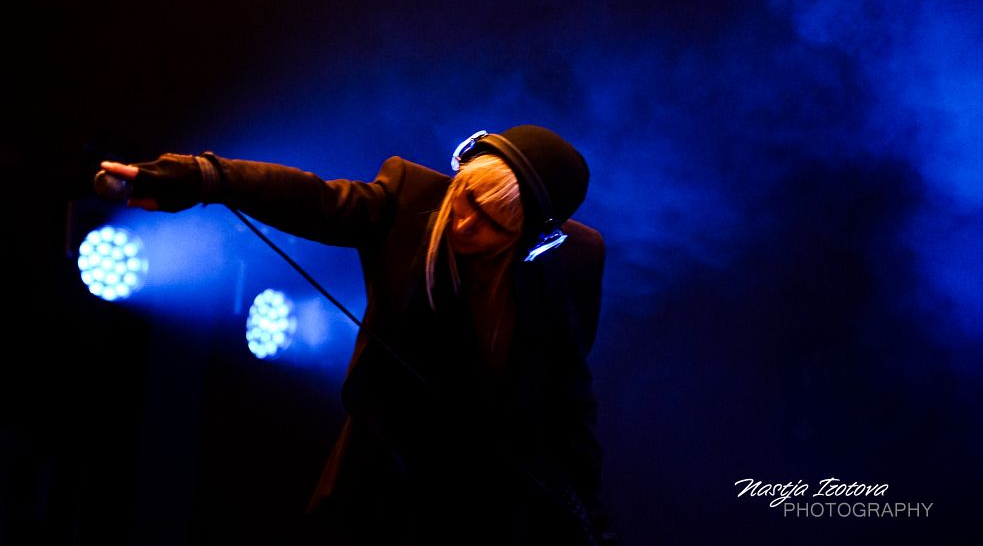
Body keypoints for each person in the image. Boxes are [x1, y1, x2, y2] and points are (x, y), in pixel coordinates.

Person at [98, 125, 617, 545]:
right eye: (467, 199)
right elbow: (314, 200)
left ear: (532, 240)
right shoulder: (411, 198)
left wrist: (593, 522)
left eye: (493, 225)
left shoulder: (573, 263)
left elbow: (569, 399)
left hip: (493, 505)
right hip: (385, 486)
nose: (464, 225)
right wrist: (200, 177)